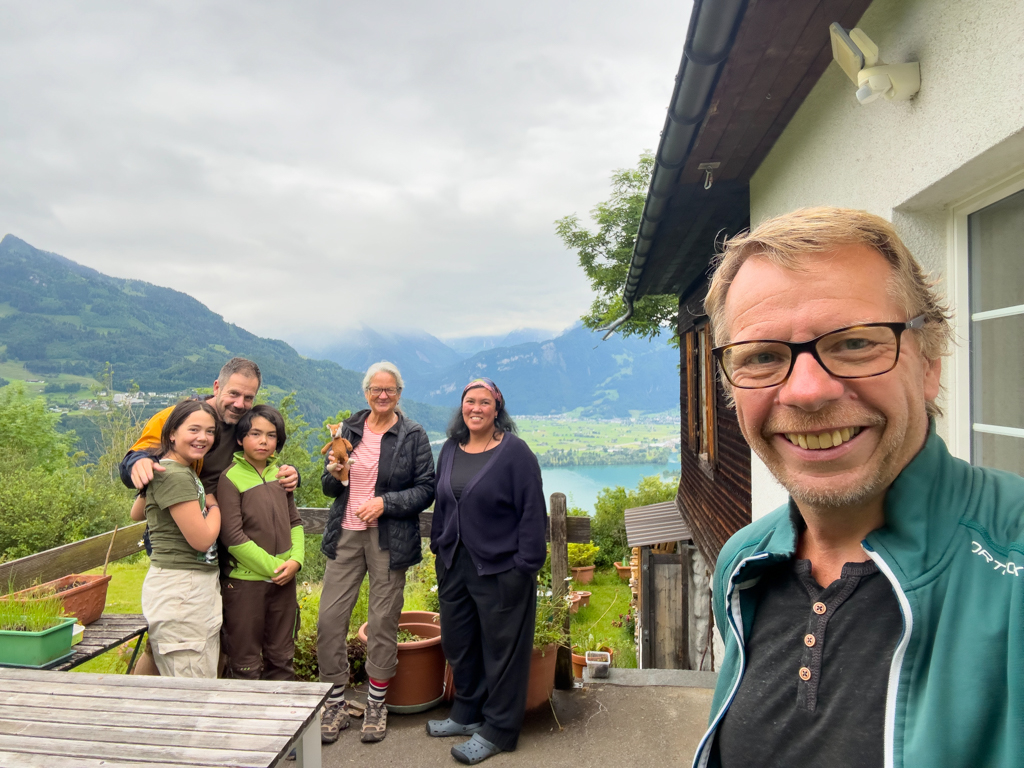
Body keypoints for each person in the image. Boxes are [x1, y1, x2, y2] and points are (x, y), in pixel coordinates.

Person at [694, 207, 1024, 768]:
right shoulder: (743, 563)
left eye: (853, 344)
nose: (806, 392)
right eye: (763, 357)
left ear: (929, 362)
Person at [120, 357, 298, 676]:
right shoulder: (180, 417)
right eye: (233, 394)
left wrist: (290, 472)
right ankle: (144, 707)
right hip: (186, 548)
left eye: (248, 397)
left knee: (213, 631)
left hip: (225, 550)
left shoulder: (241, 426)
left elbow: (261, 456)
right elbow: (138, 457)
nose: (240, 403)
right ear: (217, 387)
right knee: (177, 641)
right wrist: (135, 464)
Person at [427, 378, 546, 766]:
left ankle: (499, 729)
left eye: (484, 402)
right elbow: (444, 507)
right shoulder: (450, 449)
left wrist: (525, 566)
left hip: (502, 567)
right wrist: (438, 548)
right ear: (461, 407)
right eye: (469, 401)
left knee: (503, 652)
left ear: (498, 409)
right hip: (454, 565)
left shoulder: (516, 454)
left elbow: (531, 511)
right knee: (460, 644)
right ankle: (467, 712)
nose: (475, 408)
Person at [317, 361, 435, 745]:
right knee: (329, 620)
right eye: (375, 390)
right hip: (346, 536)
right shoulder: (348, 428)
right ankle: (334, 702)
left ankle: (376, 703)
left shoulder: (412, 434)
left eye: (390, 390)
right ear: (365, 393)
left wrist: (385, 503)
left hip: (389, 539)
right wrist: (336, 475)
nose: (382, 396)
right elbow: (328, 486)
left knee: (383, 620)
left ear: (399, 394)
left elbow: (426, 489)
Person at [129, 399, 222, 678]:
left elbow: (136, 513)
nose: (203, 438)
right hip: (184, 588)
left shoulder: (168, 469)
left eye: (210, 431)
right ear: (172, 433)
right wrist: (214, 507)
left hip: (178, 584)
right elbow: (202, 540)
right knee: (192, 684)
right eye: (193, 429)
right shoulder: (175, 475)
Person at [217, 404, 305, 680]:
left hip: (284, 583)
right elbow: (233, 537)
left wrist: (296, 562)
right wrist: (275, 568)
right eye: (256, 434)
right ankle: (246, 721)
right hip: (245, 585)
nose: (264, 441)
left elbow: (295, 522)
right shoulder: (229, 479)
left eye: (271, 435)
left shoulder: (281, 476)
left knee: (282, 656)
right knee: (245, 661)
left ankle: (283, 720)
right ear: (241, 438)